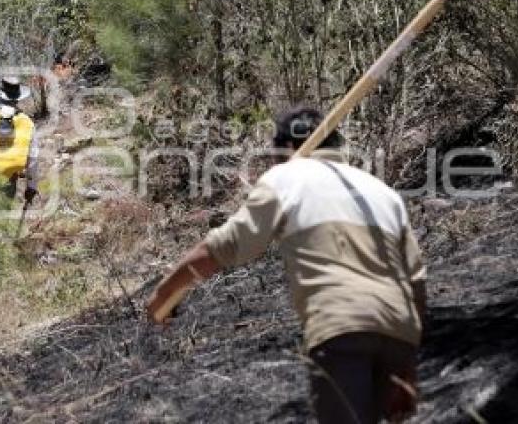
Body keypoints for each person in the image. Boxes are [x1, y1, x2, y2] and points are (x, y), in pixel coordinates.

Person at [146, 106, 426, 424]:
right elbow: (415, 283)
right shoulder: (382, 192)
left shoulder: (285, 178)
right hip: (400, 332)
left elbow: (220, 249)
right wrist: (407, 365)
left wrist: (163, 295)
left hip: (340, 326)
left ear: (289, 147)